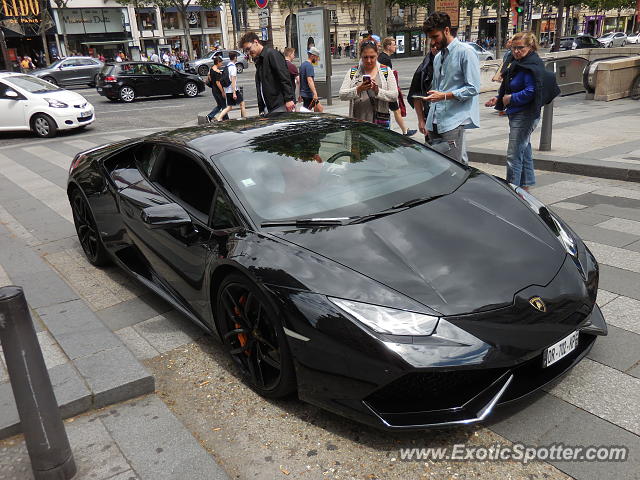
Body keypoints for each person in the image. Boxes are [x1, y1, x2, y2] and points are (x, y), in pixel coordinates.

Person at [485, 31, 559, 191]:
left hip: (526, 114)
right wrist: (498, 99)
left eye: (520, 48)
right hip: (517, 113)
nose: (516, 51)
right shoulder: (516, 62)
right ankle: (525, 188)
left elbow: (532, 91)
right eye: (513, 48)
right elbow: (508, 85)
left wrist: (510, 98)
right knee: (524, 150)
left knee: (513, 155)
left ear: (530, 47)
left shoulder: (531, 66)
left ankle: (513, 190)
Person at [423, 12, 480, 164]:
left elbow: (473, 88)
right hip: (435, 121)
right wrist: (428, 122)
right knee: (436, 166)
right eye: (431, 38)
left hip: (454, 120)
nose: (433, 42)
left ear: (446, 30)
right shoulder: (437, 57)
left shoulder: (465, 52)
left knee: (454, 167)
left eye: (435, 37)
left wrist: (445, 96)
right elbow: (436, 91)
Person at [339, 38, 398, 127]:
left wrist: (378, 91)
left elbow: (394, 95)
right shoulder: (353, 71)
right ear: (361, 56)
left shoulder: (386, 71)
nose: (369, 60)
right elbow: (342, 94)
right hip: (358, 124)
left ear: (377, 55)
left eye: (372, 57)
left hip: (380, 123)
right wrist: (359, 89)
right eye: (365, 57)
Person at [239, 31, 295, 114]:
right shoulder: (259, 60)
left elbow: (284, 77)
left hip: (279, 105)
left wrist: (289, 99)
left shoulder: (271, 54)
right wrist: (261, 108)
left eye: (248, 49)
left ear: (256, 42)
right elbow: (261, 86)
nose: (248, 53)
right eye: (245, 51)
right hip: (269, 107)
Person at [379, 37, 416, 136]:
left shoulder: (383, 57)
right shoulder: (385, 59)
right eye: (394, 44)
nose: (395, 46)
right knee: (396, 109)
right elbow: (385, 76)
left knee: (395, 110)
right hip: (387, 90)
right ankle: (404, 131)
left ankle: (404, 130)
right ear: (388, 46)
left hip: (385, 90)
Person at [408, 44, 437, 143]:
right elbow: (416, 96)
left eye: (438, 44)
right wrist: (421, 120)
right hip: (430, 117)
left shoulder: (449, 63)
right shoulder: (423, 68)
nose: (435, 48)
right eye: (433, 45)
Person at [214, 51, 248, 121]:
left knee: (229, 107)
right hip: (232, 90)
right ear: (235, 58)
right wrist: (234, 93)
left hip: (227, 89)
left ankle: (219, 118)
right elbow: (233, 80)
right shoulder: (233, 67)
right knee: (242, 103)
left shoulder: (228, 66)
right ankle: (245, 119)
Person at [206, 56, 227, 122]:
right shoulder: (217, 72)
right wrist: (222, 92)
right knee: (224, 106)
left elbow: (209, 76)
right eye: (221, 63)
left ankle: (210, 116)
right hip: (218, 90)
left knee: (220, 105)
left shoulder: (211, 69)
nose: (221, 64)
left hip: (213, 89)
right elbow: (218, 83)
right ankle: (226, 119)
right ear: (218, 62)